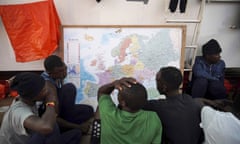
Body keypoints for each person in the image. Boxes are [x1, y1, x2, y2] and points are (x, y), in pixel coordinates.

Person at [0, 72, 81, 144]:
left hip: (32, 135)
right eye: (44, 90)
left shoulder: (28, 97)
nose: (47, 90)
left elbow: (49, 86)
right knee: (51, 127)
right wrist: (51, 102)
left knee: (76, 133)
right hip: (28, 139)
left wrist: (76, 127)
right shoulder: (18, 112)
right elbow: (46, 127)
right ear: (34, 96)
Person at [144, 66, 204, 144]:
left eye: (157, 81)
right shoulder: (189, 99)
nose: (156, 83)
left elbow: (131, 102)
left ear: (164, 87)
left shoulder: (158, 106)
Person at [96, 77, 162, 144]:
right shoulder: (153, 118)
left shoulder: (108, 113)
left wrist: (114, 83)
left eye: (119, 94)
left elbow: (102, 92)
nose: (118, 95)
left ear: (123, 103)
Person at [41, 55, 94, 133]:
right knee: (69, 88)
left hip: (62, 111)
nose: (64, 74)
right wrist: (79, 127)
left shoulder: (56, 77)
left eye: (64, 69)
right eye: (59, 72)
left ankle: (69, 120)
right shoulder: (49, 88)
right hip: (49, 118)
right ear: (50, 73)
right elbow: (53, 118)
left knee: (89, 110)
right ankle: (66, 126)